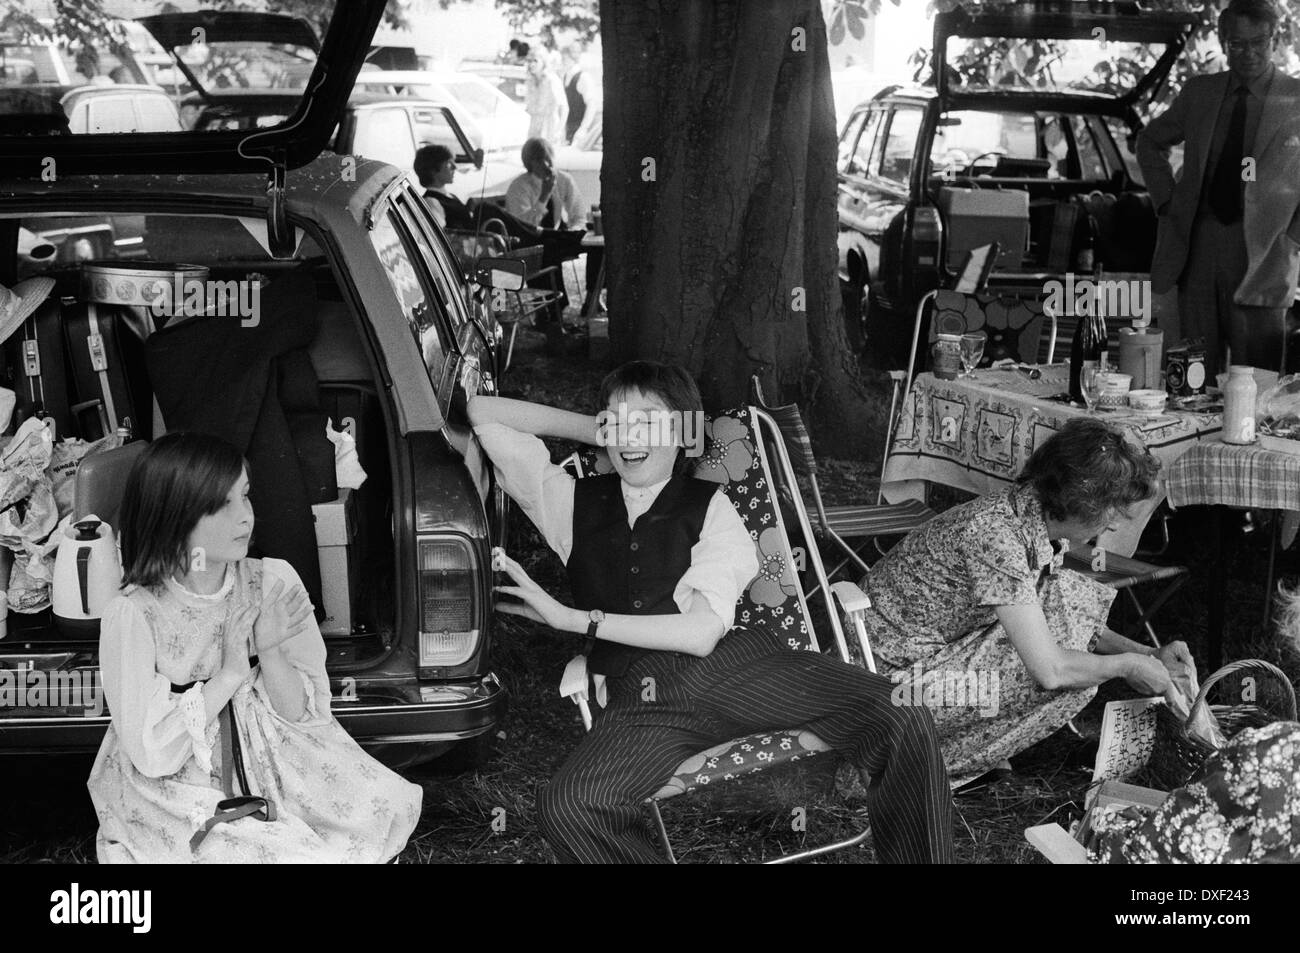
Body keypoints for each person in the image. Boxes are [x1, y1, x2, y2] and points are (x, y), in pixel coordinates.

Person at [468, 361, 955, 864]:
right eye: (617, 420)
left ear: (682, 432)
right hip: (644, 696)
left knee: (903, 711)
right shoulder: (567, 502)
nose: (629, 435)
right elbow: (482, 413)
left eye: (650, 420)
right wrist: (603, 427)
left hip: (738, 668)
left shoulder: (715, 507)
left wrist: (576, 620)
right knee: (569, 806)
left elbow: (701, 634)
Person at [87, 433, 421, 863]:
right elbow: (153, 754)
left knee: (377, 808)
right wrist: (229, 673)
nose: (245, 517)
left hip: (279, 756)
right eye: (222, 506)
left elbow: (303, 715)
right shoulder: (134, 613)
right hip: (182, 778)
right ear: (175, 516)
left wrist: (271, 650)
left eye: (245, 497)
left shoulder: (273, 580)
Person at [858, 418, 1197, 785]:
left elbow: (1060, 615)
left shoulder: (1027, 513)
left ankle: (968, 752)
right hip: (886, 690)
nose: (1113, 525)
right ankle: (903, 765)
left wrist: (1147, 654)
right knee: (1072, 681)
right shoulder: (996, 536)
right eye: (1111, 510)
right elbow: (1050, 670)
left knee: (1066, 594)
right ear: (1080, 503)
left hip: (920, 656)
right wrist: (1127, 666)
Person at [1137, 0, 1300, 373]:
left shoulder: (1296, 100)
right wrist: (1166, 202)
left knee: (1256, 382)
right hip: (1198, 245)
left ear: (1274, 40)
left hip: (1266, 252)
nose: (1249, 53)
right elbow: (1150, 142)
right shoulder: (1201, 93)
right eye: (1237, 44)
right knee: (1192, 374)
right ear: (1224, 42)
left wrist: (1294, 237)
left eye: (1258, 42)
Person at [506, 137, 588, 229]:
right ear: (529, 164)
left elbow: (579, 216)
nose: (546, 164)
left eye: (547, 158)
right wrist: (544, 196)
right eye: (539, 160)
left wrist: (574, 231)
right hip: (531, 239)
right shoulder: (518, 187)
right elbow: (523, 226)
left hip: (559, 237)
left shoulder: (564, 179)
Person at [523, 49, 568, 144]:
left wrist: (559, 131)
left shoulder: (552, 80)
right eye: (529, 61)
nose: (531, 64)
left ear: (543, 62)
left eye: (535, 61)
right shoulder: (530, 81)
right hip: (534, 127)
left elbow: (564, 108)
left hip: (550, 127)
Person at [560, 42, 600, 145]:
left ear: (573, 58)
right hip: (569, 128)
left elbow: (592, 105)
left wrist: (583, 128)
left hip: (580, 130)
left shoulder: (583, 77)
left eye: (565, 58)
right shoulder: (565, 76)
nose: (562, 61)